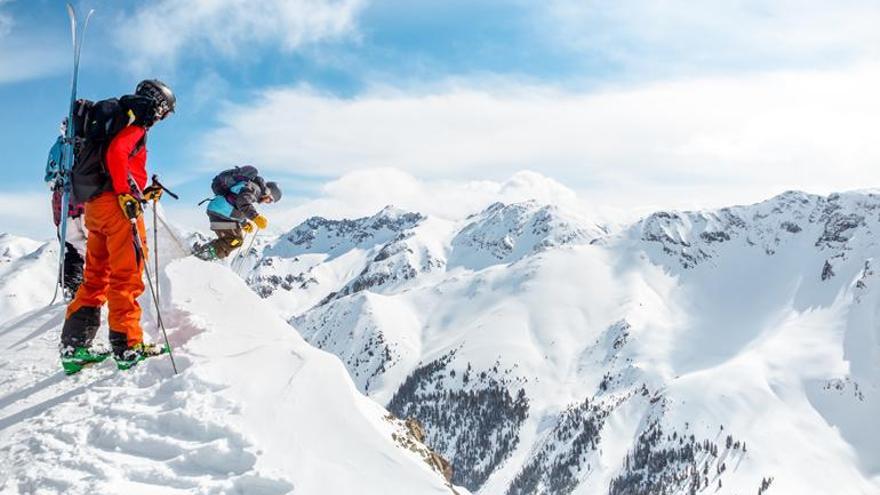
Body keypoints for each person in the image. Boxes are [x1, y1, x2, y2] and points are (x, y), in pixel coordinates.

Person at [60, 79, 176, 374]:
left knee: (96, 275)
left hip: (96, 206)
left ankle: (75, 346)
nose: (162, 118)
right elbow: (117, 154)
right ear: (158, 103)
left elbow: (114, 159)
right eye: (165, 111)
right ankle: (127, 345)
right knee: (127, 275)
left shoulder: (116, 118)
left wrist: (139, 192)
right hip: (118, 207)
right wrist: (126, 192)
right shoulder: (139, 120)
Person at [194, 165, 281, 261]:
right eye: (270, 200)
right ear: (269, 192)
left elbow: (236, 204)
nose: (268, 203)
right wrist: (255, 217)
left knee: (236, 239)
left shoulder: (251, 186)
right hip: (220, 214)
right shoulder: (255, 189)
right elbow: (242, 202)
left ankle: (204, 252)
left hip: (220, 213)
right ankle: (203, 255)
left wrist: (243, 223)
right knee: (236, 240)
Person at [45, 123, 88, 299]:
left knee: (72, 248)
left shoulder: (60, 145)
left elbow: (50, 175)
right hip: (88, 202)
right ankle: (93, 288)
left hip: (64, 205)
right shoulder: (93, 143)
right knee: (95, 248)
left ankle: (73, 286)